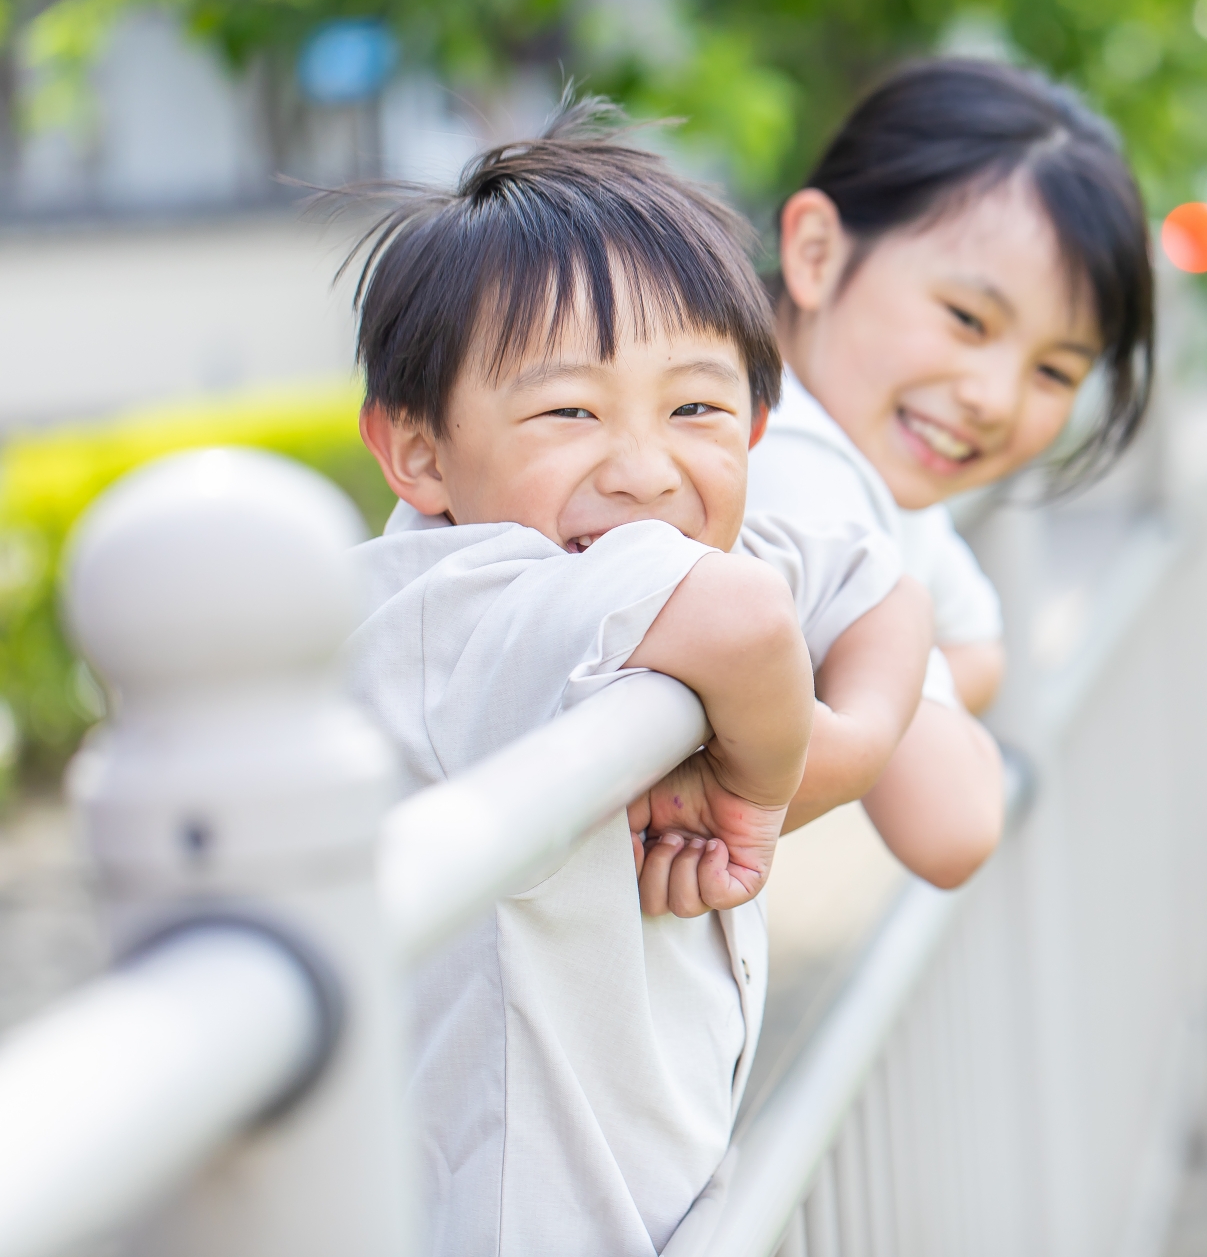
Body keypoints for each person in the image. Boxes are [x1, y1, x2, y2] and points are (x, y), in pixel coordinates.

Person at [340, 100, 931, 1256]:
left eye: (696, 407)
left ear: (757, 425)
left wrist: (828, 755)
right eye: (569, 410)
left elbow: (880, 581)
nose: (648, 469)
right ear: (419, 452)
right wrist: (761, 795)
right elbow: (755, 617)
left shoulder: (664, 554)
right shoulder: (456, 598)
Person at [751, 57, 1157, 886]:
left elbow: (980, 650)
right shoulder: (783, 459)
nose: (996, 399)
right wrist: (876, 691)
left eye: (1054, 371)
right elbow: (955, 824)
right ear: (819, 252)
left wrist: (857, 690)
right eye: (968, 319)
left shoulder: (851, 459)